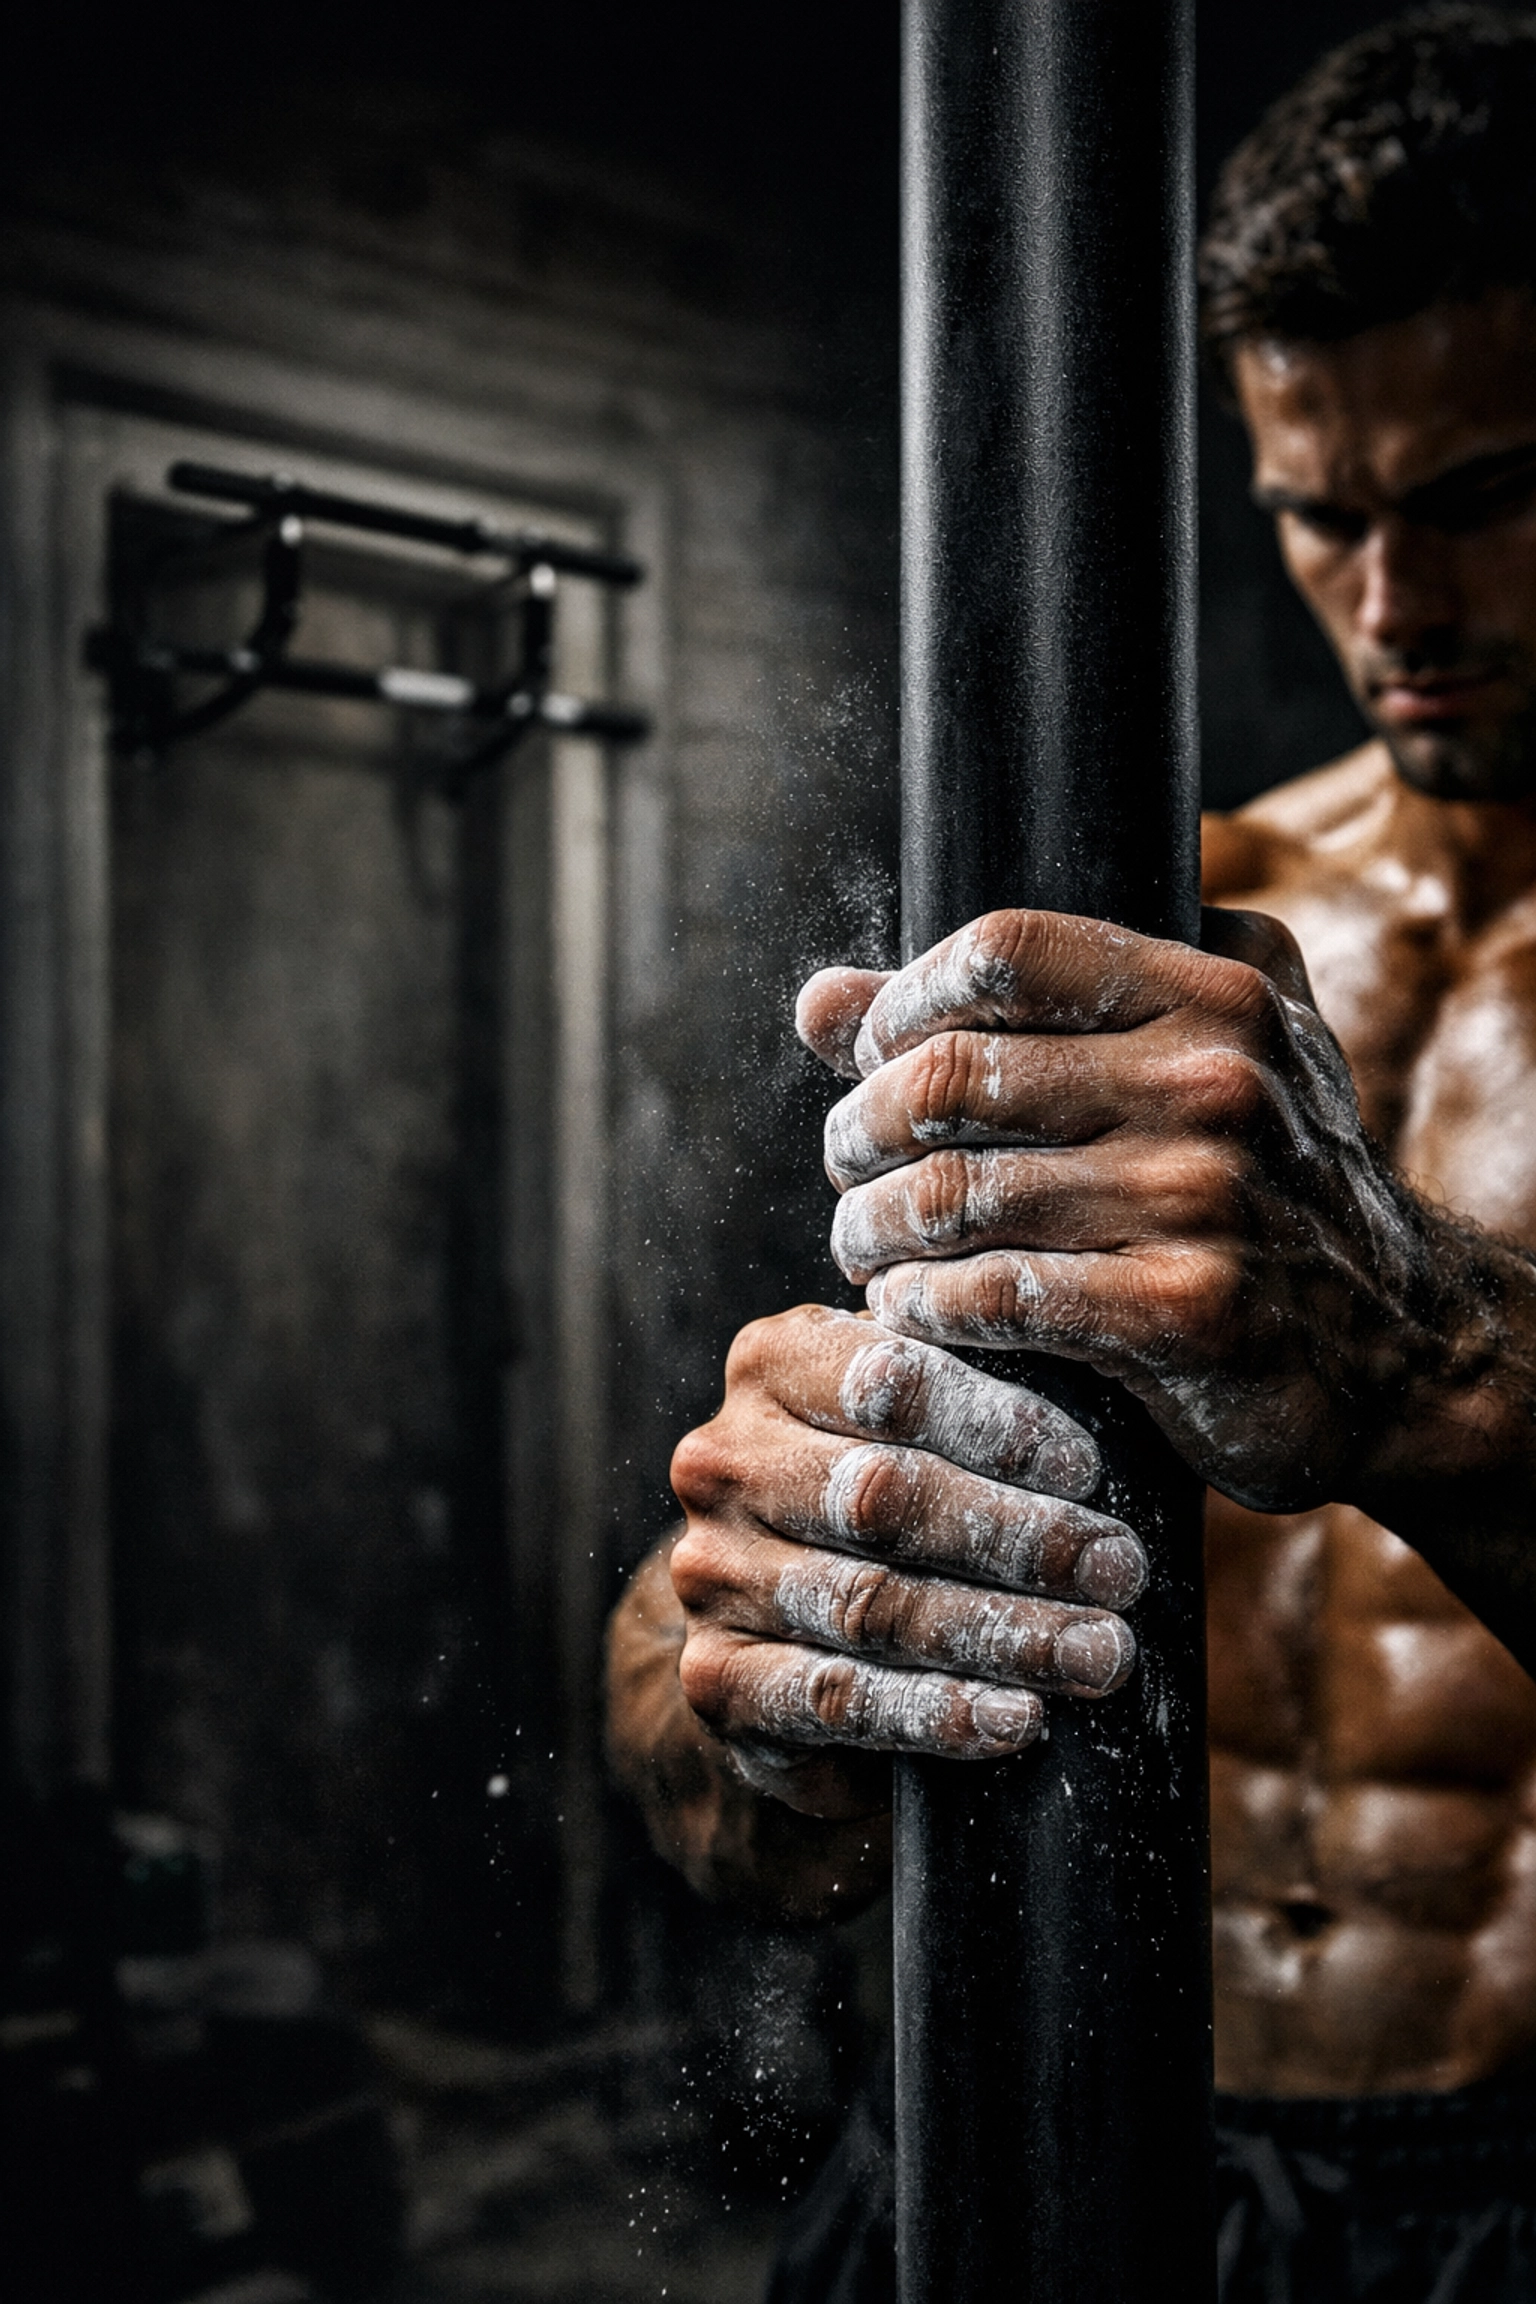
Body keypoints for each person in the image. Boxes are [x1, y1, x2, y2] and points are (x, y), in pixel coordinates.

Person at [608, 7, 1536, 2297]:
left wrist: (1433, 1360)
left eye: (1479, 499)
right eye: (1317, 515)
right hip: (1051, 2143)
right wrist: (768, 1680)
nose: (1392, 608)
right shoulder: (1156, 941)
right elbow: (695, 1722)